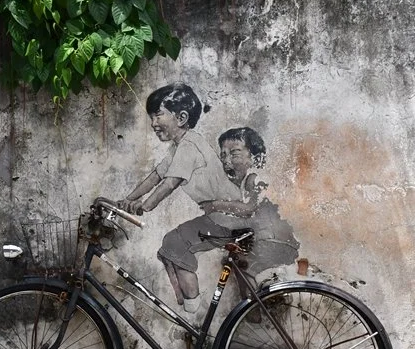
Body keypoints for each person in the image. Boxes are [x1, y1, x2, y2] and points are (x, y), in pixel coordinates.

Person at [118, 83, 241, 311]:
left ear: (181, 117)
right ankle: (187, 307)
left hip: (228, 216)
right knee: (170, 248)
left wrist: (144, 206)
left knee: (175, 243)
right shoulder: (178, 147)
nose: (153, 123)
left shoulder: (190, 146)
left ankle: (194, 313)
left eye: (158, 115)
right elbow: (156, 176)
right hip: (220, 215)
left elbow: (169, 183)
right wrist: (126, 200)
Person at [201, 127, 300, 299]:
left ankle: (258, 302)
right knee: (234, 262)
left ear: (255, 158)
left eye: (234, 153)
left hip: (275, 242)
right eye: (223, 154)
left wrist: (216, 205)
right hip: (264, 241)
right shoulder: (240, 185)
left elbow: (249, 209)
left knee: (240, 263)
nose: (226, 160)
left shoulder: (254, 179)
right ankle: (253, 304)